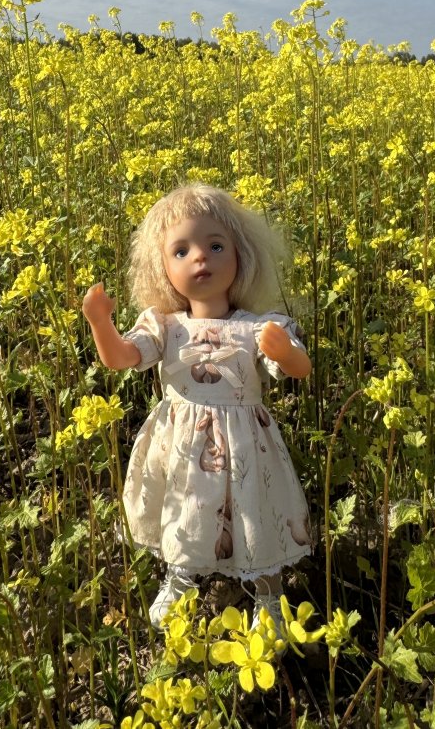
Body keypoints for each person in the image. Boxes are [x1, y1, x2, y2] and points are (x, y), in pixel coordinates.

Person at [81, 183, 312, 629]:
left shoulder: (258, 326)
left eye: (215, 245)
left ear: (242, 255)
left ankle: (267, 592)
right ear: (162, 268)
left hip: (247, 442)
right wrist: (99, 322)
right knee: (185, 507)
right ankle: (182, 576)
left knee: (252, 509)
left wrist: (283, 352)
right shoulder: (165, 326)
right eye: (181, 251)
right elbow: (122, 358)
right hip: (182, 441)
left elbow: (298, 369)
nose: (200, 257)